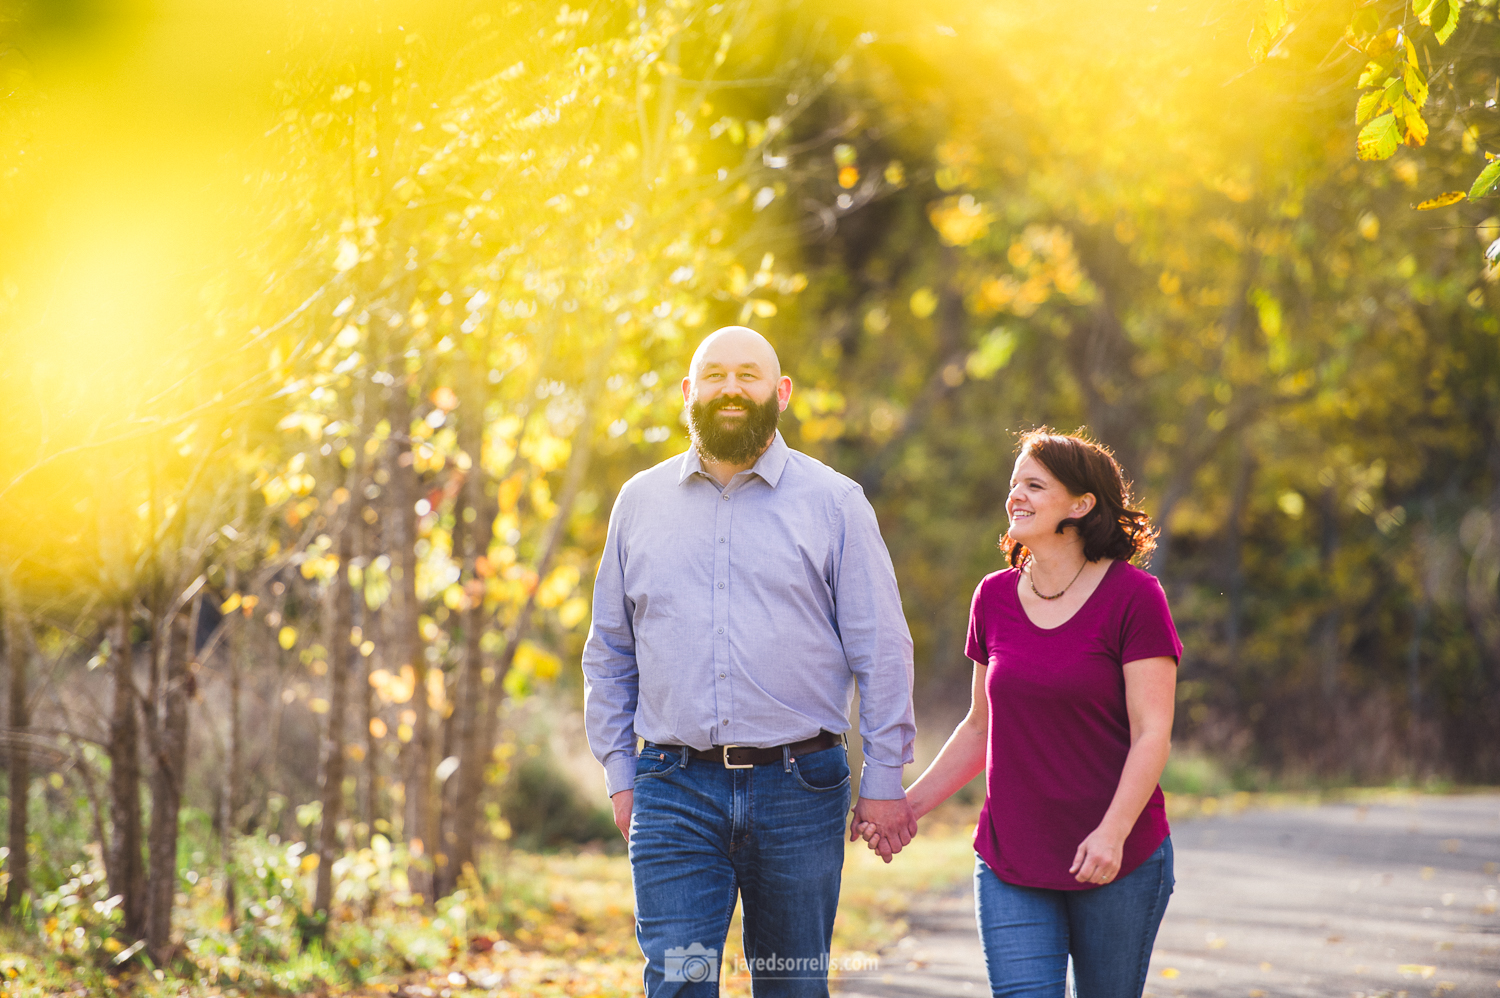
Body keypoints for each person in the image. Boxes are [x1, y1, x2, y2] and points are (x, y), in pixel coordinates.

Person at [582, 325, 918, 997]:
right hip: (673, 788)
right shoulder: (639, 503)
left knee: (790, 986)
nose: (730, 388)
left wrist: (884, 778)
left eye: (748, 374)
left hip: (802, 788)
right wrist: (623, 775)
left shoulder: (836, 503)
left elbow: (881, 650)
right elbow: (610, 651)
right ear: (688, 392)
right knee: (680, 984)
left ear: (781, 392)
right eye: (714, 375)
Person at [860, 428, 1179, 998]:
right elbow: (979, 725)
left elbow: (1152, 733)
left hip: (1117, 859)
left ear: (1080, 506)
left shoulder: (1136, 598)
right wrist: (904, 810)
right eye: (1014, 485)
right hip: (1012, 859)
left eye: (1035, 485)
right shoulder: (993, 597)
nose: (1016, 496)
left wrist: (1111, 833)